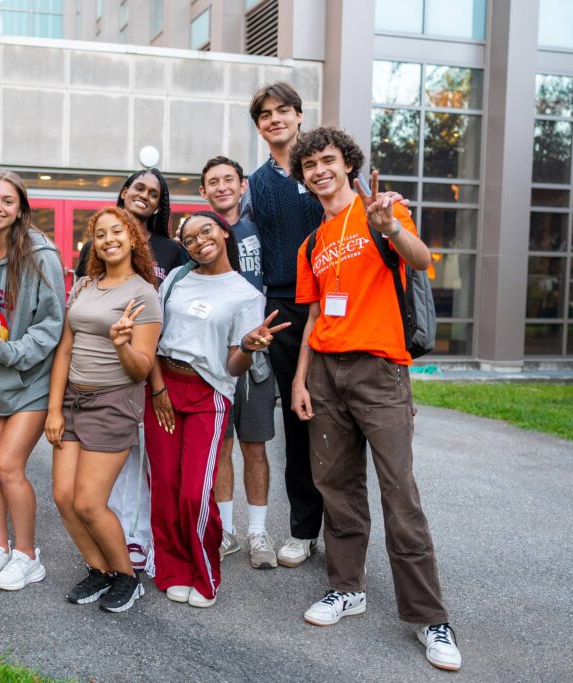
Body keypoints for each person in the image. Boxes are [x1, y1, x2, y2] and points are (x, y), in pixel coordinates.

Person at [290, 127, 462, 672]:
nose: (319, 170)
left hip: (379, 369)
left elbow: (420, 259)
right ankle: (347, 588)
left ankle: (430, 617)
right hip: (325, 373)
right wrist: (300, 380)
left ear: (347, 164)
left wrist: (390, 226)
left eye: (328, 160)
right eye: (310, 164)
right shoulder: (311, 244)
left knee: (399, 493)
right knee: (336, 487)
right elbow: (314, 316)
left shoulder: (379, 212)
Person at [146, 211, 288, 608]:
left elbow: (232, 366)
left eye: (205, 230)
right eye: (188, 239)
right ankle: (172, 569)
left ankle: (203, 574)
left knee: (194, 493)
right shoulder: (175, 279)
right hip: (162, 388)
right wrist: (157, 389)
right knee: (166, 489)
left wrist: (247, 347)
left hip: (207, 393)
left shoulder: (246, 294)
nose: (198, 241)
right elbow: (155, 338)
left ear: (223, 232)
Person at [46, 207, 162, 613]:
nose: (109, 239)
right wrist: (54, 409)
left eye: (117, 231)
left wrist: (121, 345)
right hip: (73, 399)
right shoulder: (84, 287)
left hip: (113, 403)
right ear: (92, 243)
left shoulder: (144, 293)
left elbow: (142, 368)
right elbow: (65, 349)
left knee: (90, 503)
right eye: (100, 234)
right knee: (63, 496)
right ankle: (100, 570)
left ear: (132, 238)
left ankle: (128, 578)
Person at [77, 168, 189, 571]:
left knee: (148, 457)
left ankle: (142, 538)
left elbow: (168, 321)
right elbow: (81, 314)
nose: (145, 196)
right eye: (138, 188)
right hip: (104, 371)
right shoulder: (96, 246)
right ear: (123, 194)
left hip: (150, 365)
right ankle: (117, 533)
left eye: (154, 193)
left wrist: (158, 385)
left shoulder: (172, 251)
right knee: (111, 460)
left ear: (160, 204)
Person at [0, 171, 66, 591]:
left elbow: (51, 325)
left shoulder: (41, 254)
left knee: (8, 465)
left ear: (21, 208)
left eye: (8, 201)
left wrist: (8, 352)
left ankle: (27, 555)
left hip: (29, 380)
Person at [240, 82, 326, 568]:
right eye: (265, 114)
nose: (275, 119)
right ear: (259, 125)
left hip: (334, 304)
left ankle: (342, 528)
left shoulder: (322, 168)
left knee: (339, 420)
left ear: (298, 115)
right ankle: (302, 529)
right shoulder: (256, 183)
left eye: (283, 111)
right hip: (284, 309)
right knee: (298, 418)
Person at [198, 156, 278, 569]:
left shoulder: (256, 231)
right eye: (213, 182)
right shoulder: (199, 234)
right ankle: (226, 531)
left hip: (256, 353)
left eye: (229, 179)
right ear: (203, 191)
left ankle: (258, 532)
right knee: (221, 445)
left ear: (243, 185)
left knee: (255, 444)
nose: (222, 186)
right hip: (214, 357)